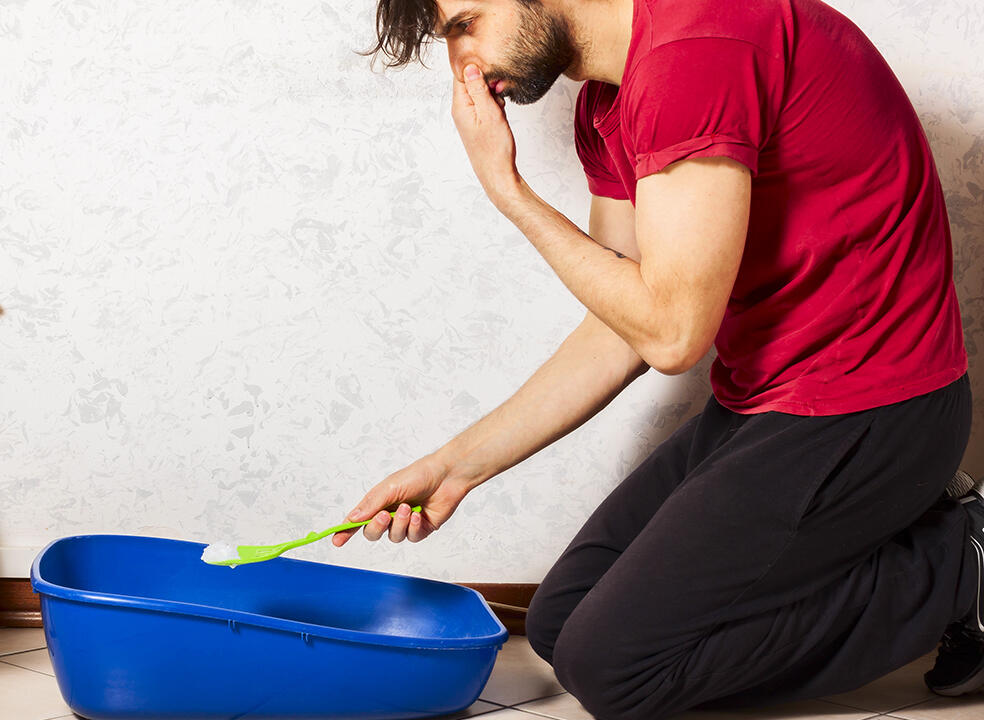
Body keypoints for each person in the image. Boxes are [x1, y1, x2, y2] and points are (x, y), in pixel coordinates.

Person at [331, 0, 984, 716]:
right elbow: (622, 328)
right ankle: (916, 528)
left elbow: (673, 335)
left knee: (615, 669)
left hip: (875, 408)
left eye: (465, 25)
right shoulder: (607, 104)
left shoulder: (697, 53)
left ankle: (963, 566)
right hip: (767, 402)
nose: (466, 67)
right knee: (558, 624)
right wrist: (455, 468)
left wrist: (508, 192)